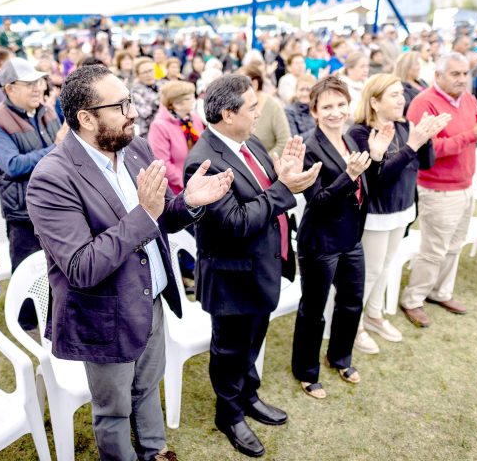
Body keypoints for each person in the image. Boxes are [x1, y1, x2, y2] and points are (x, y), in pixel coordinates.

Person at [27, 64, 233, 461]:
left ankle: (155, 450)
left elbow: (158, 219)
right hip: (103, 314)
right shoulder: (52, 177)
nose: (134, 111)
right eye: (121, 105)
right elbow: (82, 266)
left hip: (151, 297)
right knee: (114, 409)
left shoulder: (133, 147)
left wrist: (188, 202)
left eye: (131, 101)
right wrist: (145, 212)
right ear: (86, 118)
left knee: (147, 385)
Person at [183, 74, 321, 458]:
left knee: (253, 341)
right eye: (251, 108)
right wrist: (284, 190)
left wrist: (285, 175)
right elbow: (236, 222)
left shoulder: (249, 142)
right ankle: (228, 414)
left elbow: (267, 189)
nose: (259, 113)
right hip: (231, 276)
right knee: (229, 350)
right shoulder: (205, 161)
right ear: (227, 114)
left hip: (262, 265)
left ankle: (249, 394)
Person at [399, 52, 477, 328]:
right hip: (438, 188)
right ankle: (413, 299)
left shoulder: (467, 98)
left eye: (465, 73)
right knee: (434, 249)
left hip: (464, 184)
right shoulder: (423, 103)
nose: (462, 79)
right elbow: (428, 149)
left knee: (453, 246)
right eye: (455, 74)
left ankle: (439, 292)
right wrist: (474, 135)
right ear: (438, 76)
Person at [291, 75, 390, 395]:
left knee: (350, 302)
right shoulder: (308, 146)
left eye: (341, 105)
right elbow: (318, 201)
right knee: (314, 308)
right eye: (328, 106)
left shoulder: (352, 139)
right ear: (315, 111)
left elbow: (367, 186)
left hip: (350, 235)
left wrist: (374, 160)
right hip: (320, 240)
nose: (336, 112)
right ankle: (306, 370)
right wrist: (348, 175)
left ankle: (341, 357)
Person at [348, 74, 448, 354]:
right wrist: (411, 145)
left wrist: (424, 138)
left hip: (403, 209)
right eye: (393, 95)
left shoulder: (405, 126)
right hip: (376, 214)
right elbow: (377, 180)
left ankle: (375, 314)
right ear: (375, 102)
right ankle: (354, 326)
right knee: (370, 272)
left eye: (401, 94)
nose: (402, 99)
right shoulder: (359, 133)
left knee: (388, 266)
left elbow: (426, 164)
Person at [0, 57, 68, 328]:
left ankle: (57, 316)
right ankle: (28, 327)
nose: (37, 88)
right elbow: (13, 165)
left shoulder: (47, 110)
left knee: (59, 266)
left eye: (39, 81)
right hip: (23, 210)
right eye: (29, 83)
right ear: (9, 89)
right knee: (29, 269)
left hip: (56, 203)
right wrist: (56, 147)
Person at [148, 80, 205, 194]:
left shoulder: (193, 118)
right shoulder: (159, 126)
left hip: (201, 182)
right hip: (176, 192)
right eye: (189, 98)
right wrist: (188, 183)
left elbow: (204, 147)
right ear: (176, 104)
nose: (194, 100)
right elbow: (163, 163)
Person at [240, 63, 291, 157]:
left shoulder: (273, 106)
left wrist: (263, 162)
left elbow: (284, 141)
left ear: (254, 84)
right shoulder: (240, 106)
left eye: (240, 84)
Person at [130, 57, 160, 137]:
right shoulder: (136, 91)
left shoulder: (161, 85)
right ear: (138, 75)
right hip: (148, 132)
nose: (149, 74)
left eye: (151, 70)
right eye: (145, 72)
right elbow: (145, 112)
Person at [284, 73, 316, 138]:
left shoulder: (318, 108)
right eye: (301, 89)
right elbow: (295, 138)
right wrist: (318, 130)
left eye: (308, 90)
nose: (305, 93)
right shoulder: (289, 111)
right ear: (296, 91)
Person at [339, 52, 369, 120]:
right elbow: (352, 115)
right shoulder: (341, 87)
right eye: (362, 66)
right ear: (349, 69)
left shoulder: (369, 83)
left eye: (367, 66)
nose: (366, 70)